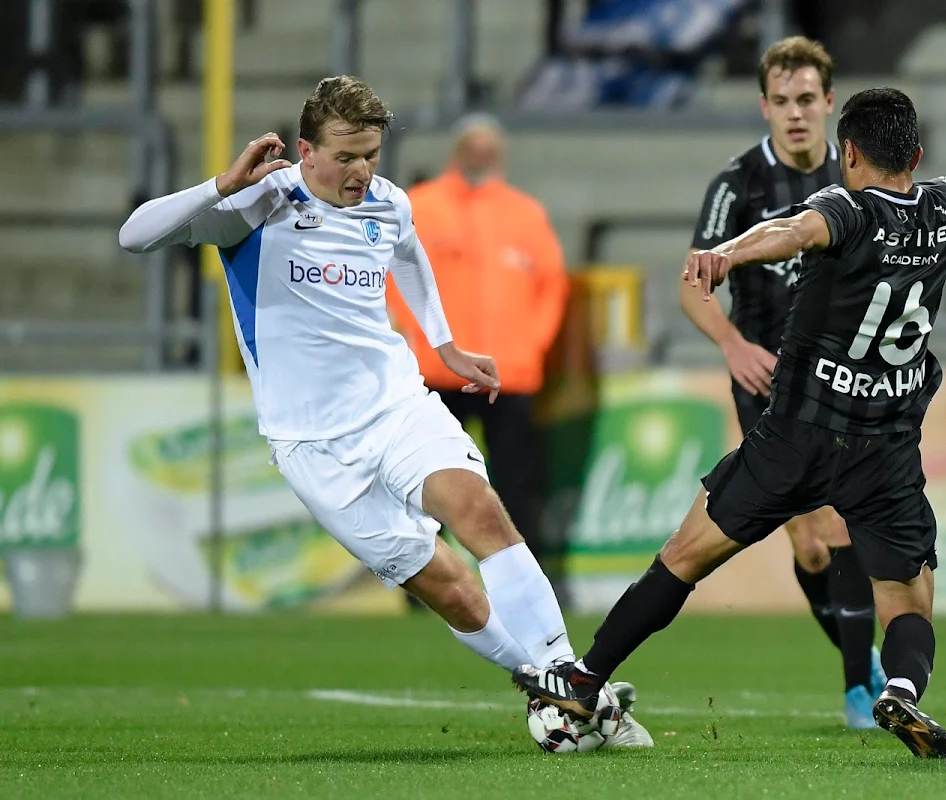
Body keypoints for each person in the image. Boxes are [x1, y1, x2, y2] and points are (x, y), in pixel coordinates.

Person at [118, 75, 650, 748]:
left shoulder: (388, 203)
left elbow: (409, 255)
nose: (360, 171)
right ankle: (548, 690)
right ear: (306, 151)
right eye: (345, 156)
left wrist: (445, 344)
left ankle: (570, 682)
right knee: (448, 585)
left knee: (480, 510)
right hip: (311, 444)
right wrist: (219, 186)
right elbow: (134, 238)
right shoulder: (258, 206)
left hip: (397, 408)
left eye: (370, 154)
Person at [514, 89, 946, 761]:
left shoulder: (848, 207)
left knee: (682, 559)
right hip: (885, 447)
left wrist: (728, 254)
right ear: (917, 157)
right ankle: (898, 689)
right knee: (909, 598)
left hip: (798, 435)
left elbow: (793, 230)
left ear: (851, 153)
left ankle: (584, 676)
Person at [684, 35, 883, 728]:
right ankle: (866, 669)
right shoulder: (738, 185)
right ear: (763, 106)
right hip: (766, 381)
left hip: (841, 378)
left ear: (830, 103)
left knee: (840, 525)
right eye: (781, 102)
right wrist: (732, 343)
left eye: (807, 100)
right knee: (806, 540)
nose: (795, 114)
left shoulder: (860, 178)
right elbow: (694, 284)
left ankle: (862, 686)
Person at [386, 113, 569, 569]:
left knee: (515, 487)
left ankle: (527, 583)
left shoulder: (525, 213)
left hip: (509, 374)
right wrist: (411, 339)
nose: (480, 155)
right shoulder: (420, 207)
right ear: (456, 149)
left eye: (489, 147)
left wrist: (531, 347)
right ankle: (427, 582)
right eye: (473, 145)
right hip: (433, 373)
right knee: (429, 485)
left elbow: (552, 287)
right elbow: (390, 277)